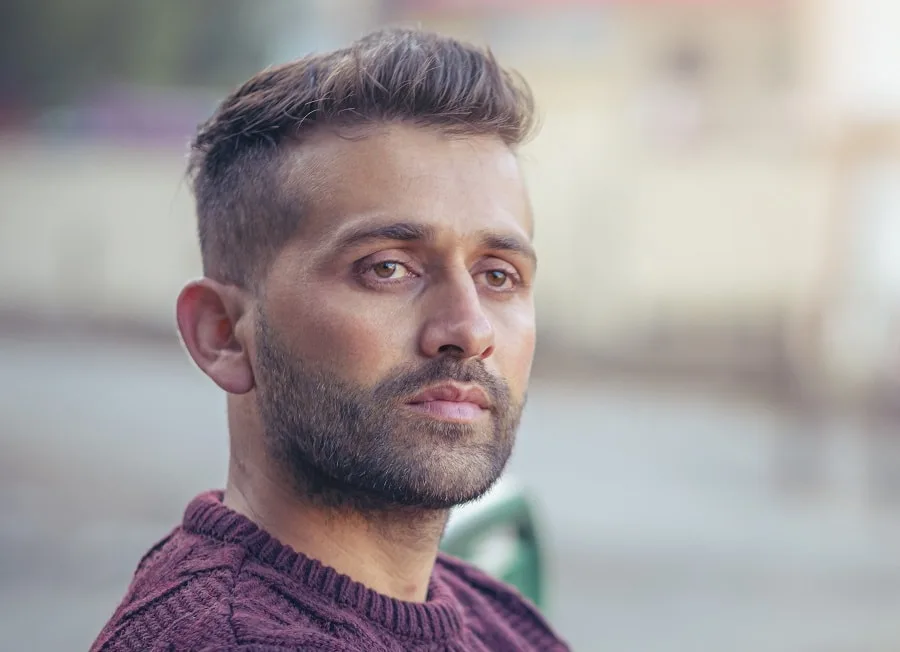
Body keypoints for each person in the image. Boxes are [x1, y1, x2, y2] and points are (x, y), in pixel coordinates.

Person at [92, 27, 568, 652]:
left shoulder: (492, 616)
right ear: (223, 335)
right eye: (387, 268)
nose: (470, 329)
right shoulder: (226, 639)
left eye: (497, 275)